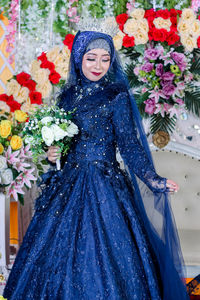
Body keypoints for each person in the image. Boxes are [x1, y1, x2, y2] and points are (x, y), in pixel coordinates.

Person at [3, 30, 189, 300]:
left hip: (105, 185)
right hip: (68, 185)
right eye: (91, 59)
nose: (98, 66)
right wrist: (54, 154)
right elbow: (63, 148)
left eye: (105, 59)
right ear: (78, 58)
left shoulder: (117, 96)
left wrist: (153, 179)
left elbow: (129, 145)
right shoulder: (66, 98)